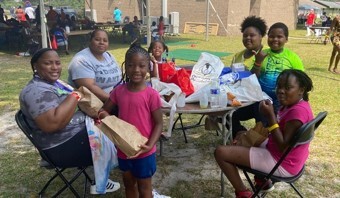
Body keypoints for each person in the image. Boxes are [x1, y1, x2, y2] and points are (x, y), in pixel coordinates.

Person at [19, 48, 120, 195]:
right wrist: (76, 94)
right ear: (35, 66)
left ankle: (106, 173)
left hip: (71, 136)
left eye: (57, 63)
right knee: (117, 134)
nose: (55, 67)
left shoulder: (52, 83)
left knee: (114, 116)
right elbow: (52, 124)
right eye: (48, 63)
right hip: (61, 147)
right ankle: (134, 177)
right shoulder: (36, 91)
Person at [215, 69, 314, 198]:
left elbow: (283, 147)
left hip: (282, 162)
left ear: (301, 89)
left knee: (220, 152)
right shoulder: (297, 104)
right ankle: (263, 182)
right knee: (246, 138)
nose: (281, 91)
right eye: (279, 86)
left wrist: (271, 116)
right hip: (290, 159)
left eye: (288, 87)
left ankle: (243, 193)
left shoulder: (297, 113)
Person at [98, 43, 167, 198]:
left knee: (144, 188)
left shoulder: (151, 95)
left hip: (144, 151)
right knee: (129, 184)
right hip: (124, 150)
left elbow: (159, 123)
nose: (136, 70)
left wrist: (149, 145)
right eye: (131, 65)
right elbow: (104, 110)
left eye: (141, 66)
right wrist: (103, 115)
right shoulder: (118, 91)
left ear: (148, 67)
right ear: (125, 67)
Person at [231, 22, 304, 137]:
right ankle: (243, 135)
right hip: (261, 100)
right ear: (267, 37)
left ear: (286, 39)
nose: (275, 39)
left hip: (282, 102)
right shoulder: (262, 54)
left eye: (279, 37)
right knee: (256, 125)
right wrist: (258, 62)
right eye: (271, 36)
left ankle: (265, 145)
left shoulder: (292, 57)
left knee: (272, 129)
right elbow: (253, 78)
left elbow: (301, 80)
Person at [68, 29, 122, 103]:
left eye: (105, 40)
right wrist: (116, 101)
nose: (101, 42)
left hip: (117, 95)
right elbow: (90, 88)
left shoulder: (108, 55)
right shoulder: (81, 60)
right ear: (90, 41)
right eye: (97, 39)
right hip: (100, 103)